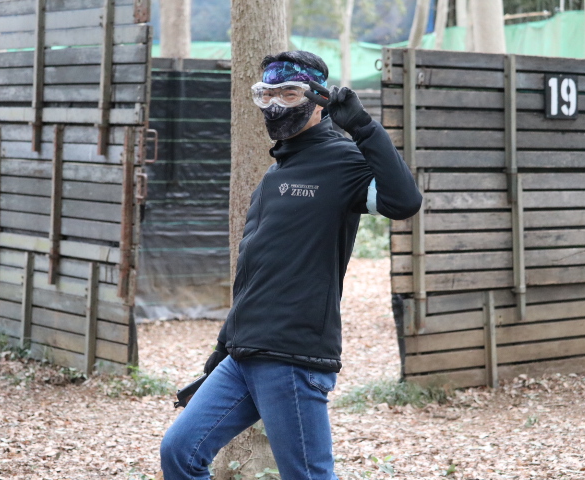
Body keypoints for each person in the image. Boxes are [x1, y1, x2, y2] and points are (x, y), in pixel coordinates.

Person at [160, 50, 422, 480]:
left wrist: (362, 127)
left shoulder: (343, 160)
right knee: (179, 452)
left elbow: (404, 201)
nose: (276, 104)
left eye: (289, 93)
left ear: (318, 99)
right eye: (266, 94)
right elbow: (255, 270)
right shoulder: (274, 175)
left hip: (293, 357)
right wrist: (224, 347)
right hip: (243, 355)